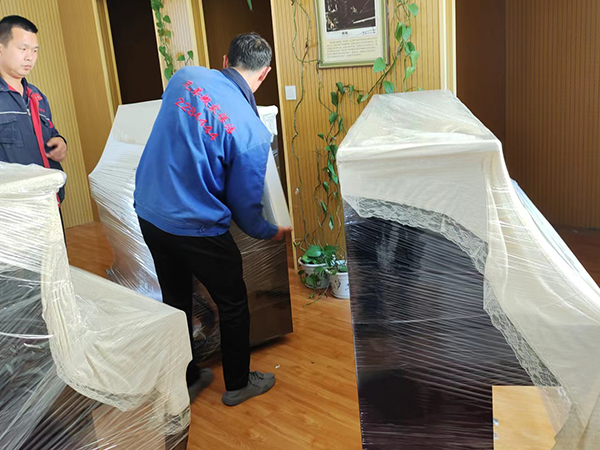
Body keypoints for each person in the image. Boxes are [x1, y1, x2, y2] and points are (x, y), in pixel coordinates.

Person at [134, 33, 291, 406]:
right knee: (233, 301)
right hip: (197, 225)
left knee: (176, 299)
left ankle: (188, 378)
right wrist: (270, 231)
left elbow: (180, 131)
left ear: (225, 60)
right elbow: (245, 208)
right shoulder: (253, 133)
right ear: (265, 73)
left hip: (150, 212)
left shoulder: (184, 77)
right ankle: (238, 384)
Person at [0, 15, 68, 203]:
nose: (30, 57)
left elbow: (51, 132)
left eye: (35, 50)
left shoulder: (37, 96)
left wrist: (60, 142)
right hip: (14, 207)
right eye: (23, 49)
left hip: (49, 200)